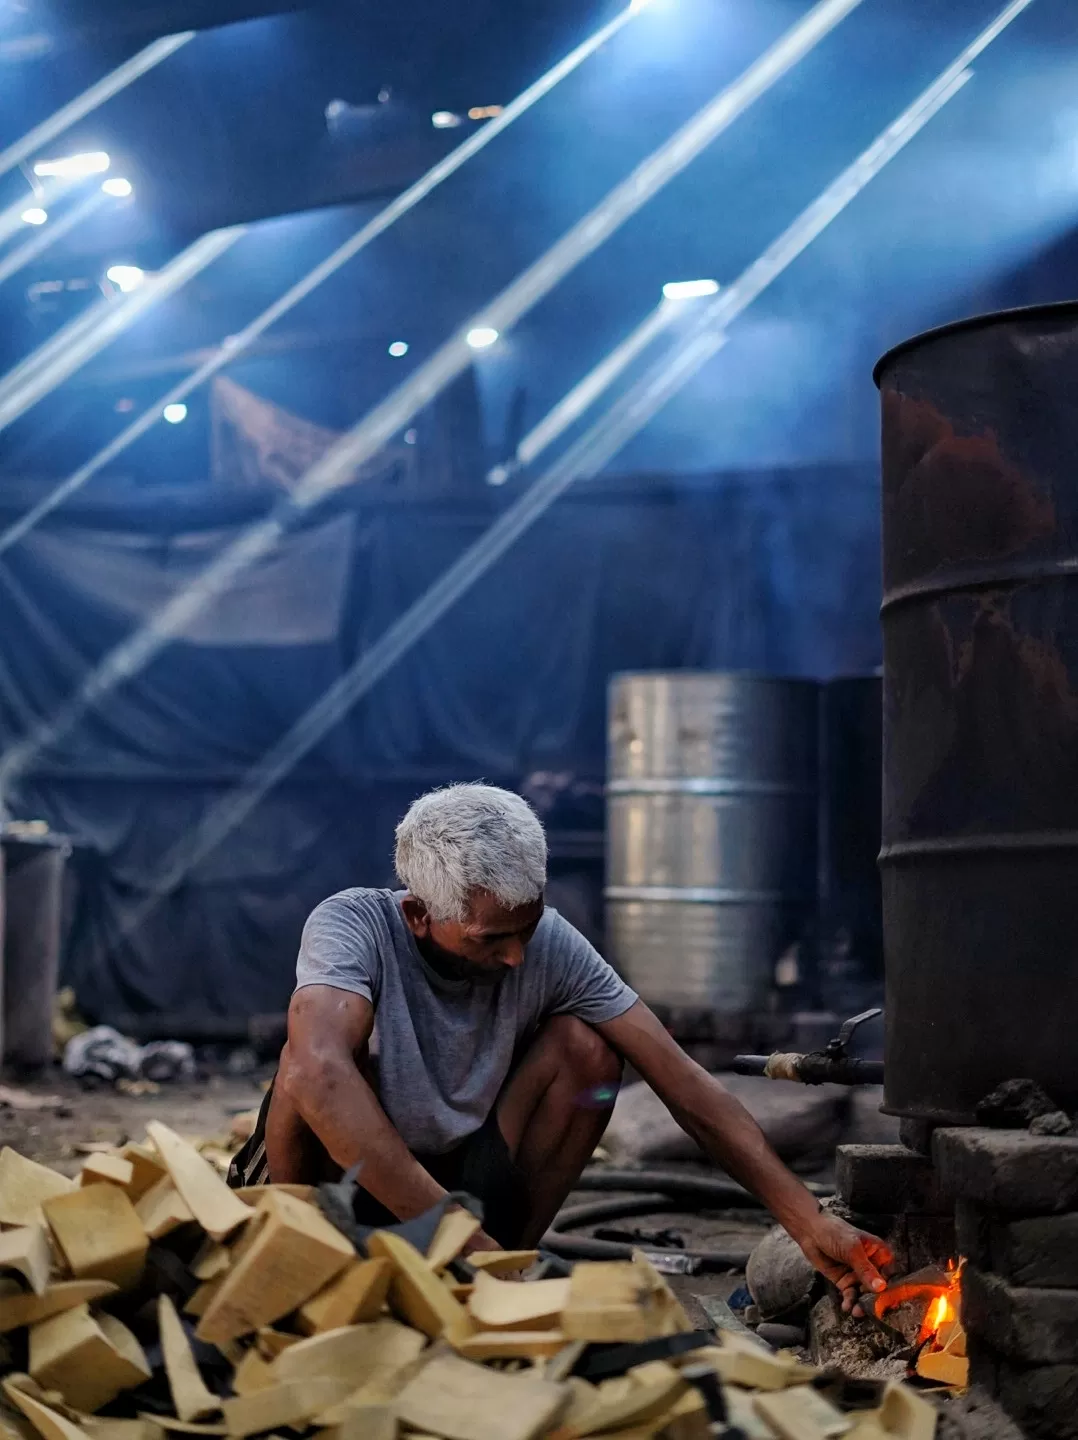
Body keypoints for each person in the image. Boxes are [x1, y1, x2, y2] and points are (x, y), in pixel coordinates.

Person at [230, 783, 890, 1311]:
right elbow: (317, 1076)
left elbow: (685, 1084)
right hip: (346, 1181)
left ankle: (504, 1272)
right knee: (310, 1062)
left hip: (464, 1180)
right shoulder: (354, 925)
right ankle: (303, 1260)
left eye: (529, 926)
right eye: (491, 940)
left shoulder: (546, 942)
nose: (518, 956)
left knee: (591, 1056)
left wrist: (808, 1222)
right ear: (417, 916)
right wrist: (461, 1239)